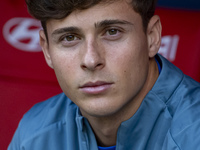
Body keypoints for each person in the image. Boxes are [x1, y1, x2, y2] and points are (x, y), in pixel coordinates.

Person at [8, 0, 200, 149]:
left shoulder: (194, 136)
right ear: (47, 49)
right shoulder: (33, 135)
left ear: (152, 36)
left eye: (112, 32)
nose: (91, 60)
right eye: (69, 38)